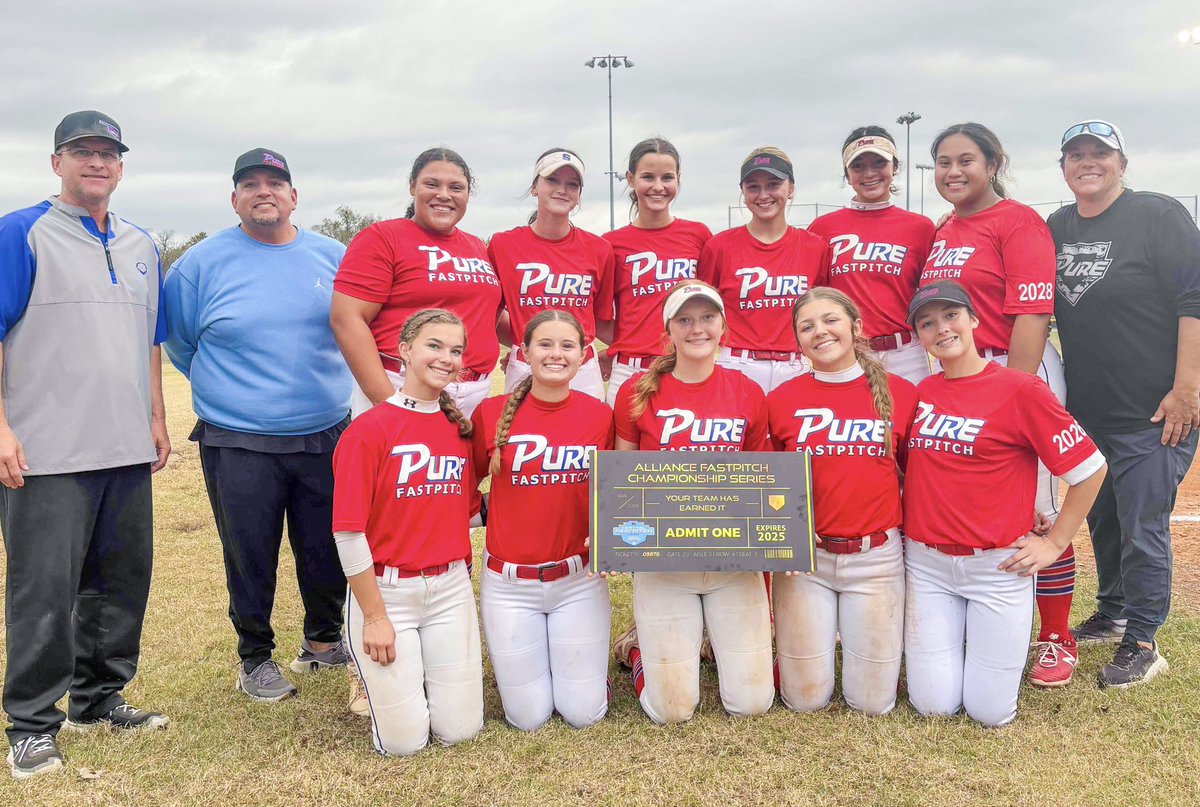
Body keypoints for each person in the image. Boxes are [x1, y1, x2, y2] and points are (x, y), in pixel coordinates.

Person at [0, 110, 171, 780]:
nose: (96, 162)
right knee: (43, 589)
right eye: (82, 151)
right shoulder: (21, 233)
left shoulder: (141, 242)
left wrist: (156, 417)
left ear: (121, 166)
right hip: (46, 451)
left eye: (108, 152)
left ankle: (98, 699)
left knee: (119, 581)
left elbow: (151, 340)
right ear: (57, 162)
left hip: (124, 446)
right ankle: (32, 725)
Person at [163, 148, 351, 703]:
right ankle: (255, 658)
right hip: (238, 436)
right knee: (250, 551)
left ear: (294, 196)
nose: (263, 191)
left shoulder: (332, 255)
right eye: (249, 184)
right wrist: (237, 388)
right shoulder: (199, 264)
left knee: (326, 545)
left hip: (325, 430)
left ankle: (323, 642)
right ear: (234, 199)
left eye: (275, 183)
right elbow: (181, 343)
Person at [903, 281, 1106, 727]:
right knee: (933, 705)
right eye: (927, 322)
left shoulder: (1021, 388)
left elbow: (1090, 468)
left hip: (997, 568)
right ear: (919, 336)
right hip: (926, 565)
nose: (942, 328)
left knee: (990, 712)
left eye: (951, 315)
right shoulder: (921, 393)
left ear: (975, 320)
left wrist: (1054, 542)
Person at [921, 122, 1078, 687]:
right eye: (943, 162)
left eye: (967, 160)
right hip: (957, 374)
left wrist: (1007, 392)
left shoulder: (1019, 222)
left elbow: (1033, 315)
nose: (954, 171)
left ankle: (1057, 637)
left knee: (1035, 509)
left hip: (1014, 369)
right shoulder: (946, 229)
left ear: (993, 164)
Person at [1050, 120, 1200, 687]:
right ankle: (1113, 610)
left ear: (1121, 162)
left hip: (1155, 409)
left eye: (1100, 154)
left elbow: (1195, 298)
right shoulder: (1058, 225)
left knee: (1144, 520)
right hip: (1090, 408)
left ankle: (1143, 638)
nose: (1088, 163)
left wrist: (1187, 388)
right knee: (1105, 515)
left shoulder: (1158, 215)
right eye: (1076, 155)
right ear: (1063, 167)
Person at [612, 280, 775, 724]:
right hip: (665, 563)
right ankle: (641, 652)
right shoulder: (637, 392)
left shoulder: (747, 391)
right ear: (669, 331)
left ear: (724, 326)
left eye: (707, 318)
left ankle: (709, 641)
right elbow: (622, 481)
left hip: (732, 562)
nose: (696, 328)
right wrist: (618, 540)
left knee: (752, 703)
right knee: (672, 711)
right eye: (684, 319)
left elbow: (763, 480)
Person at [331, 309, 483, 756]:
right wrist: (376, 618)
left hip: (450, 588)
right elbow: (348, 534)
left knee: (460, 730)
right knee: (404, 743)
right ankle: (372, 671)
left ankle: (420, 670)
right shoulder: (369, 430)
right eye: (434, 346)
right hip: (388, 592)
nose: (447, 358)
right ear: (404, 351)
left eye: (455, 350)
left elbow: (470, 512)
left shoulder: (458, 430)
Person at [767, 288, 919, 716]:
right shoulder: (781, 400)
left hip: (876, 559)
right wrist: (784, 539)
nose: (820, 332)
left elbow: (923, 474)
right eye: (807, 326)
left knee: (873, 703)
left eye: (830, 320)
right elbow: (769, 485)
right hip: (807, 561)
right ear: (798, 341)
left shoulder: (901, 393)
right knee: (804, 700)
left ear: (855, 327)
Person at [471, 310, 615, 731]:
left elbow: (617, 493)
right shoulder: (491, 412)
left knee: (583, 713)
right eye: (545, 344)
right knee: (527, 718)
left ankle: (614, 661)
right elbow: (461, 493)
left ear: (585, 355)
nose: (556, 354)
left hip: (578, 580)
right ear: (524, 352)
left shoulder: (599, 415)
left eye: (567, 345)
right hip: (509, 585)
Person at [331, 147, 501, 420]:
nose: (444, 195)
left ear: (468, 194)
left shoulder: (477, 247)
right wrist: (388, 403)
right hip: (401, 384)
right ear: (413, 187)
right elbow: (347, 319)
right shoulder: (383, 237)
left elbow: (487, 315)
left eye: (456, 187)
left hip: (472, 392)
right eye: (432, 184)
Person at [808, 127, 936, 384]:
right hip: (848, 352)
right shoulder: (823, 229)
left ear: (895, 167)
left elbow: (931, 293)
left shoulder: (921, 228)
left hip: (906, 354)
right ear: (847, 174)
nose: (869, 173)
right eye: (858, 166)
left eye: (879, 163)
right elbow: (815, 297)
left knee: (909, 423)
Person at [698, 146, 829, 393]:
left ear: (790, 189)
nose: (763, 194)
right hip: (737, 363)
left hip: (795, 364)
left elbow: (825, 310)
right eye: (753, 187)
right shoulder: (719, 247)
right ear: (743, 192)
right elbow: (703, 313)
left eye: (773, 184)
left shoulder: (815, 247)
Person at [488, 149, 614, 399]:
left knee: (585, 437)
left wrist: (615, 352)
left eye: (572, 184)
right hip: (526, 367)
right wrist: (525, 346)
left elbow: (600, 320)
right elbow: (489, 314)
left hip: (582, 369)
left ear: (578, 195)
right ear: (535, 187)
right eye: (552, 180)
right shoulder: (503, 245)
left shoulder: (599, 249)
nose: (562, 189)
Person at [601, 137, 712, 404]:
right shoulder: (611, 243)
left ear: (678, 179)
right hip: (630, 370)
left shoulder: (698, 235)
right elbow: (600, 317)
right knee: (623, 447)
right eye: (648, 177)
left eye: (667, 178)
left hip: (684, 367)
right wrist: (633, 339)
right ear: (630, 178)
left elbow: (711, 309)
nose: (658, 187)